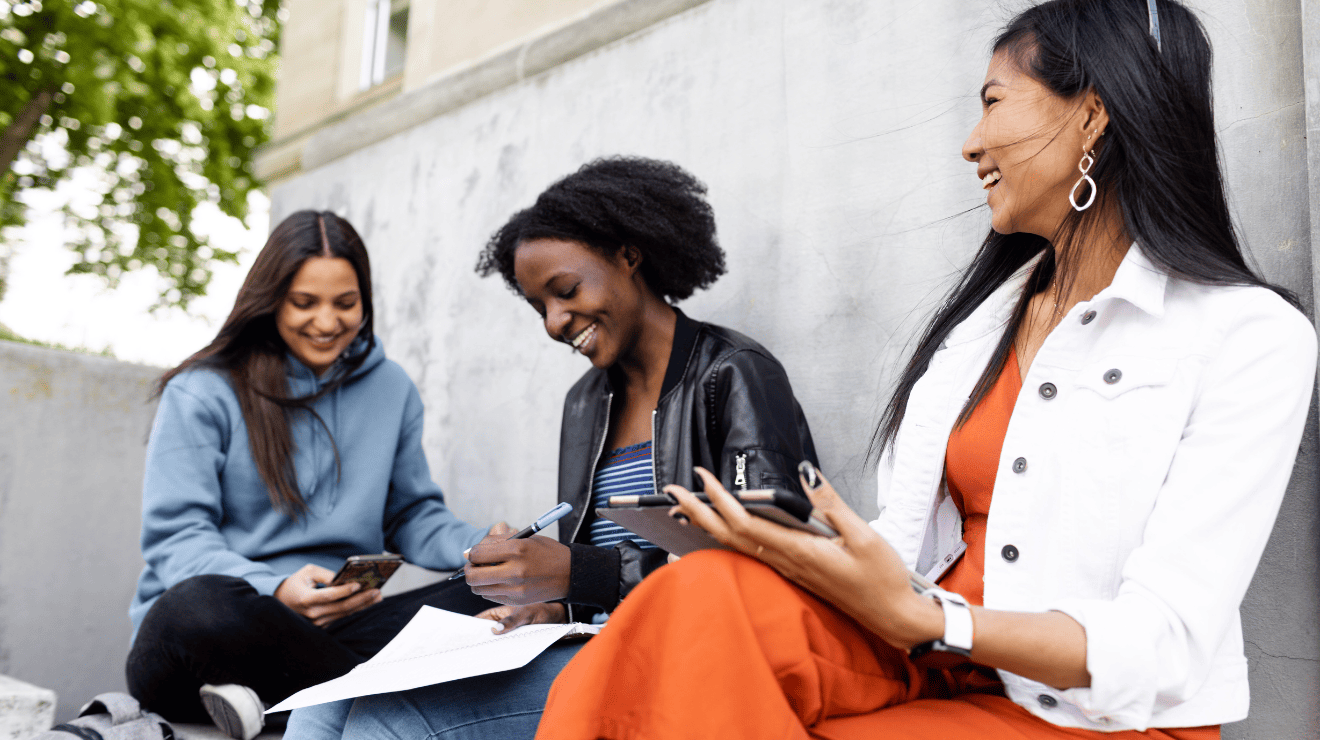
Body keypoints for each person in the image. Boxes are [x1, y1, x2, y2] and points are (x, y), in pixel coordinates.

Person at [532, 1, 1317, 738]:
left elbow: (1167, 642)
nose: (970, 142)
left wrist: (942, 622)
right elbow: (902, 559)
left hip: (1090, 714)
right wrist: (795, 550)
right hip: (934, 662)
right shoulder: (977, 334)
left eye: (993, 102)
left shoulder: (1247, 336)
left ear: (1092, 113)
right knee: (690, 599)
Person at [284, 156, 820, 739]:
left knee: (390, 718)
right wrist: (549, 606)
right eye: (539, 306)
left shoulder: (734, 374)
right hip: (596, 639)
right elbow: (592, 569)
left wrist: (576, 573)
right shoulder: (587, 401)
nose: (554, 322)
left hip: (696, 652)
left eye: (564, 291)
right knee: (326, 702)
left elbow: (770, 555)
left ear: (629, 256)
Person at [125, 211, 496, 740]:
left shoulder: (391, 388)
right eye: (305, 303)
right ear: (271, 299)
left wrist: (482, 548)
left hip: (338, 628)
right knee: (195, 607)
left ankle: (275, 701)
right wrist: (276, 589)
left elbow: (411, 514)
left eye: (345, 304)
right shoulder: (203, 389)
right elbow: (176, 541)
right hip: (223, 629)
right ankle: (370, 700)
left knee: (493, 591)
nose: (327, 322)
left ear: (364, 302)